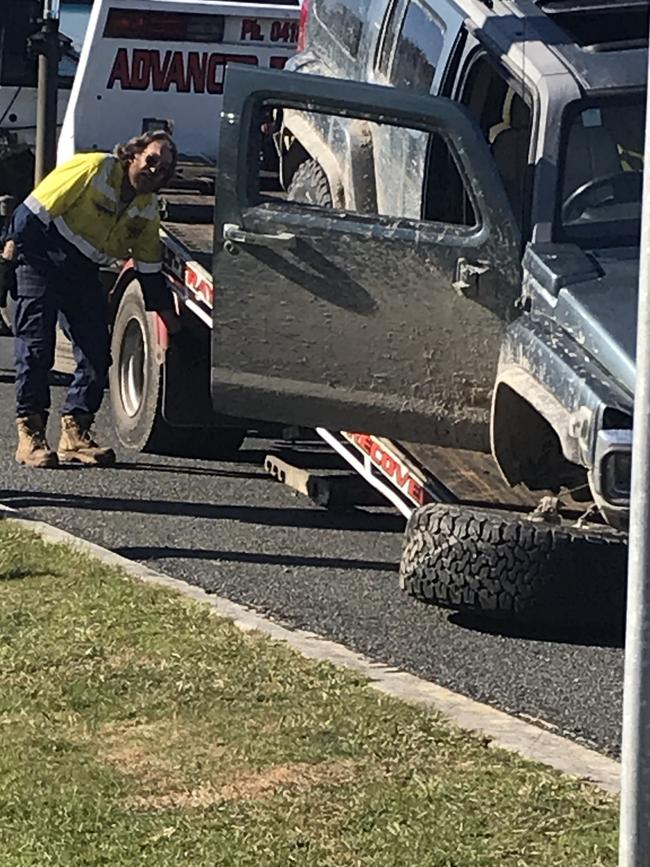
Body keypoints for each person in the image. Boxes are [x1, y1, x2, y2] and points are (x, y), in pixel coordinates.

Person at [0, 130, 179, 469]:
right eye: (152, 160)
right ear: (134, 155)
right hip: (40, 255)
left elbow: (149, 268)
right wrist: (7, 258)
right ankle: (31, 434)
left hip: (81, 270)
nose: (156, 171)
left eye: (164, 169)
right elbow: (31, 211)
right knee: (36, 347)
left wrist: (168, 316)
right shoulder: (94, 168)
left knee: (97, 349)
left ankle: (75, 433)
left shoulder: (146, 208)